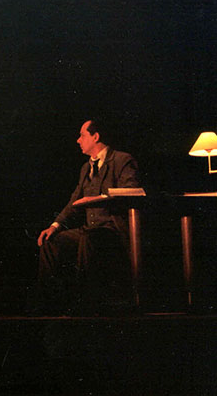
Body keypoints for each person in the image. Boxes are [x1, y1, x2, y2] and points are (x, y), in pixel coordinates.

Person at [36, 119, 140, 314]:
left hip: (113, 229)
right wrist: (55, 225)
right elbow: (74, 201)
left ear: (95, 136)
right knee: (52, 242)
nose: (78, 140)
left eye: (82, 135)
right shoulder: (86, 168)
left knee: (88, 239)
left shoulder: (122, 160)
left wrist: (98, 199)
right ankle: (48, 305)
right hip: (91, 229)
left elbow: (131, 192)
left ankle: (85, 305)